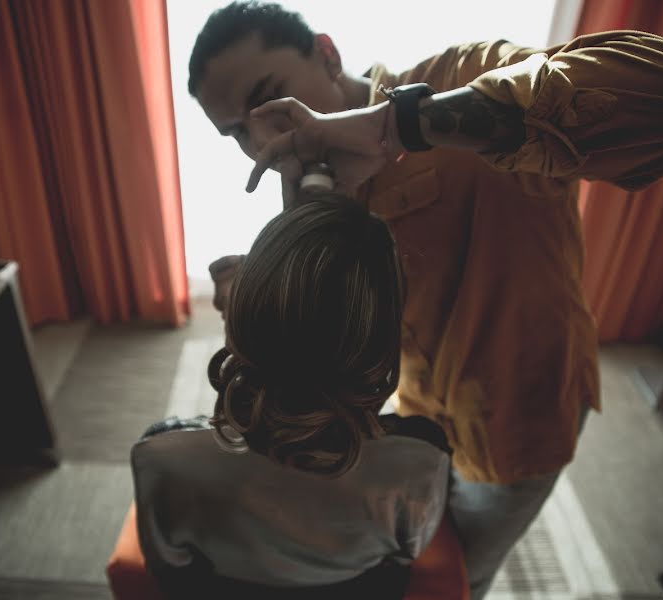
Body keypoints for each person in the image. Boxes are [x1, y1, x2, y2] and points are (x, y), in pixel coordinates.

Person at [187, 3, 663, 598]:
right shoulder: (311, 174)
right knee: (410, 561)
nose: (264, 138)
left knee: (462, 576)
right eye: (236, 131)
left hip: (519, 417)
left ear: (329, 54)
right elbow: (344, 336)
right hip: (412, 420)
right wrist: (266, 296)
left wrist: (398, 127)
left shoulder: (458, 79)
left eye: (270, 101)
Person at [131, 199, 455, 599]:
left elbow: (169, 570)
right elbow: (407, 555)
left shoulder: (163, 457)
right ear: (384, 339)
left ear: (239, 321)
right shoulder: (421, 460)